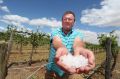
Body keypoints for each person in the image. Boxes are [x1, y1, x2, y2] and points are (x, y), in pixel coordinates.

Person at [45, 11, 95, 79]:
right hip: (52, 69)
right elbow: (56, 41)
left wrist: (79, 48)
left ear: (74, 22)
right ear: (62, 21)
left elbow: (78, 42)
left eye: (70, 19)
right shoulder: (55, 31)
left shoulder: (78, 34)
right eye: (65, 19)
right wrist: (61, 47)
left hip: (67, 70)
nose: (67, 21)